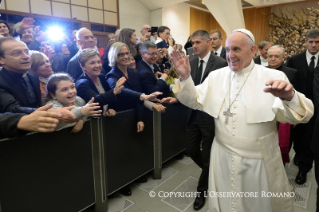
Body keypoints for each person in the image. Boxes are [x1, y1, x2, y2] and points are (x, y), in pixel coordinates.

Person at [170, 28, 313, 212]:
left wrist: (289, 97)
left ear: (252, 50)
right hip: (222, 154)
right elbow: (195, 100)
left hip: (258, 160)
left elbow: (304, 114)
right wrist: (185, 77)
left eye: (236, 49)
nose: (230, 55)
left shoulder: (274, 77)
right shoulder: (217, 76)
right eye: (228, 50)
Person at [163, 30, 228, 211]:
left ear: (209, 42)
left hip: (210, 115)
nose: (194, 46)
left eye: (198, 42)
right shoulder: (188, 60)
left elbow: (222, 92)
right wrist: (174, 95)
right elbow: (173, 82)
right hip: (192, 115)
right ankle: (211, 172)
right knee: (191, 150)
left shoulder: (222, 63)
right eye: (192, 43)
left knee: (207, 154)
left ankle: (202, 191)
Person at [286, 29, 319, 185]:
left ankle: (304, 169)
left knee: (310, 139)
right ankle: (300, 158)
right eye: (311, 42)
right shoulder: (294, 60)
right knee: (299, 139)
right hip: (299, 107)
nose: (313, 45)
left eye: (317, 42)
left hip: (318, 110)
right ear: (305, 42)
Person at [75, 48, 125, 116]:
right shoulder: (82, 83)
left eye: (98, 62)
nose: (97, 65)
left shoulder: (101, 77)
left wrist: (110, 108)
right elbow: (96, 100)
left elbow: (110, 98)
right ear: (82, 66)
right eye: (92, 63)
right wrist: (114, 92)